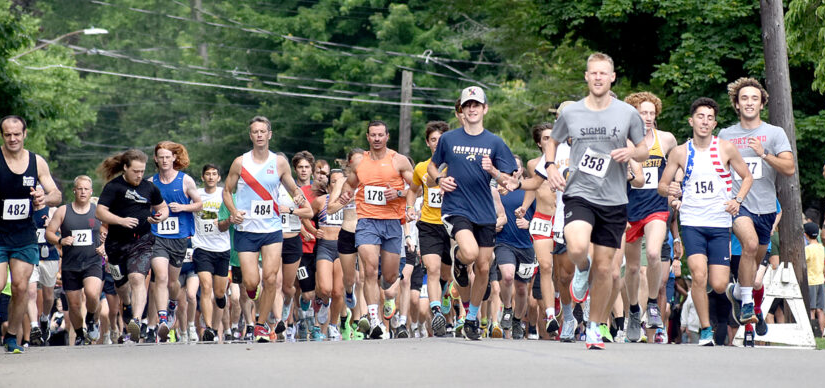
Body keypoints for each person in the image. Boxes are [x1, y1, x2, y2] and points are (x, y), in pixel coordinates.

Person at [539, 53, 648, 349]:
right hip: (580, 193)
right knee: (576, 247)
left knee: (605, 268)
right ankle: (580, 268)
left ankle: (594, 327)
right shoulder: (572, 113)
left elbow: (643, 148)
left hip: (614, 198)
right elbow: (553, 141)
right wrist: (549, 167)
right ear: (586, 77)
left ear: (612, 78)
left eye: (604, 73)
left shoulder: (627, 113)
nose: (598, 77)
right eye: (593, 73)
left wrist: (631, 154)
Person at [659, 97, 753, 346]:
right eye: (700, 116)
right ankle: (705, 330)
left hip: (720, 222)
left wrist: (738, 200)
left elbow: (747, 177)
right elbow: (661, 185)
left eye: (710, 118)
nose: (705, 121)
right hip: (692, 222)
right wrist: (670, 191)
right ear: (692, 121)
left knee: (718, 284)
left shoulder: (726, 148)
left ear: (715, 123)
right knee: (698, 277)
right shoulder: (680, 152)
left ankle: (732, 292)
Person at [427, 86, 518, 340]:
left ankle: (471, 319)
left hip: (485, 212)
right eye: (468, 105)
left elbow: (510, 178)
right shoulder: (449, 139)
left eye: (476, 105)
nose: (472, 109)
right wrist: (439, 180)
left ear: (485, 109)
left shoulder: (495, 142)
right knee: (469, 253)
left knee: (484, 268)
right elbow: (433, 168)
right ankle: (459, 255)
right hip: (457, 208)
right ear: (462, 111)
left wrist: (494, 173)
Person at [718, 77, 795, 326]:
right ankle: (748, 304)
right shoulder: (726, 135)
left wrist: (764, 154)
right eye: (744, 99)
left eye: (754, 98)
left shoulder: (774, 133)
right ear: (737, 105)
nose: (749, 103)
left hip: (766, 208)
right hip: (738, 205)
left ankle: (740, 292)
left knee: (755, 256)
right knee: (749, 245)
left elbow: (789, 168)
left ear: (762, 103)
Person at [223, 116, 305, 342]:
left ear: (270, 134)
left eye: (263, 131)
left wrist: (297, 195)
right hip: (247, 230)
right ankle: (254, 295)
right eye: (255, 132)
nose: (259, 135)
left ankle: (261, 325)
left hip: (272, 229)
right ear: (250, 136)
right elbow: (227, 191)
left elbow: (291, 186)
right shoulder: (240, 162)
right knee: (251, 283)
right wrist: (233, 211)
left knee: (271, 278)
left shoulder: (279, 162)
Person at [344, 120, 414, 339]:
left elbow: (416, 187)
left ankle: (388, 295)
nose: (376, 139)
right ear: (367, 137)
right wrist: (346, 194)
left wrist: (399, 194)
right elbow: (350, 184)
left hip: (392, 221)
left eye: (380, 135)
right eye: (373, 135)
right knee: (370, 269)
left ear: (387, 136)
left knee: (390, 277)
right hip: (367, 221)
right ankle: (374, 320)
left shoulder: (399, 160)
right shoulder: (359, 161)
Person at [1, 115, 62, 353]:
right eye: (8, 134)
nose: (13, 138)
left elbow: (56, 194)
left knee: (21, 287)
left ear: (25, 134)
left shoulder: (37, 162)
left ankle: (13, 336)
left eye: (17, 134)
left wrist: (43, 198)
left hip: (24, 234)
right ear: (2, 135)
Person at [622, 92, 679, 342]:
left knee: (654, 254)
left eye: (650, 113)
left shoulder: (665, 139)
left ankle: (653, 304)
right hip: (629, 208)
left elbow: (678, 165)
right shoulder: (623, 142)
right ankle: (634, 311)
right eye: (641, 113)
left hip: (657, 206)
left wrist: (676, 187)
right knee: (633, 268)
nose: (646, 117)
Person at [95, 149, 167, 343]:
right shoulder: (113, 187)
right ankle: (127, 305)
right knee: (121, 286)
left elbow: (163, 207)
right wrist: (120, 221)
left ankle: (135, 321)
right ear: (125, 168)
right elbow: (100, 212)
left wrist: (159, 216)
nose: (139, 175)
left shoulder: (149, 188)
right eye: (135, 171)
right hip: (116, 245)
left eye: (142, 171)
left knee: (137, 278)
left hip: (142, 241)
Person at [146, 141, 202, 342]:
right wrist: (151, 217)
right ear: (155, 159)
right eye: (161, 157)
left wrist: (183, 208)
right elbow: (145, 207)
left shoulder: (185, 180)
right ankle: (162, 319)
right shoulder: (151, 182)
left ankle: (171, 304)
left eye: (168, 157)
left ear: (174, 158)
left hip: (179, 238)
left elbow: (199, 204)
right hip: (158, 236)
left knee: (173, 282)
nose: (164, 160)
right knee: (159, 276)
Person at [45, 176, 104, 345]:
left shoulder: (98, 211)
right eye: (80, 189)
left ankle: (92, 319)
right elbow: (49, 232)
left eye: (86, 189)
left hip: (92, 261)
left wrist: (105, 246)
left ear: (91, 191)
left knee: (93, 294)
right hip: (71, 265)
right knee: (74, 304)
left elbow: (110, 231)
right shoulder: (63, 211)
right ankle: (79, 334)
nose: (83, 192)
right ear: (74, 191)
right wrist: (60, 241)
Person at [406, 120, 452, 336]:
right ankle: (437, 312)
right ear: (427, 143)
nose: (437, 143)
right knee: (432, 269)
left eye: (441, 140)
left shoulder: (457, 165)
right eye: (433, 140)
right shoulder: (421, 168)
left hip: (452, 225)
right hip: (429, 225)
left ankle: (443, 296)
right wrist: (409, 207)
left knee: (447, 274)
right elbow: (412, 191)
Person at [192, 164, 231, 342]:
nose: (210, 177)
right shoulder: (196, 195)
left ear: (219, 178)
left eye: (214, 174)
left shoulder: (224, 194)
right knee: (206, 287)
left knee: (220, 293)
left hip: (222, 248)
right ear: (202, 177)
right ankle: (208, 328)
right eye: (207, 174)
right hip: (201, 247)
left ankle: (215, 327)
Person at [804, 222, 825, 336]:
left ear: (806, 235)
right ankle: (821, 332)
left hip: (811, 281)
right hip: (820, 280)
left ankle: (812, 332)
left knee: (811, 309)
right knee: (820, 309)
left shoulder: (808, 249)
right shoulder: (821, 248)